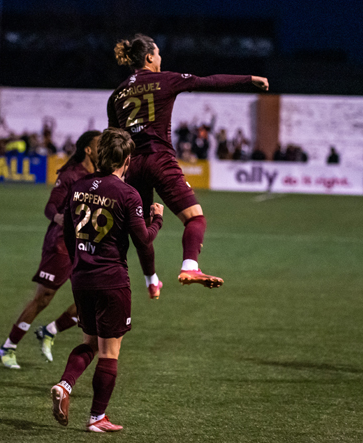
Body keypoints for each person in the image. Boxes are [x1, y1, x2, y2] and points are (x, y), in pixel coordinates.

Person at [108, 34, 269, 289]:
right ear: (150, 57)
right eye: (158, 53)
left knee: (142, 232)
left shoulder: (117, 95)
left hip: (132, 166)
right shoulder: (166, 79)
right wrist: (250, 79)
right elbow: (211, 81)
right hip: (160, 159)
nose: (161, 58)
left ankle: (150, 280)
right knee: (195, 219)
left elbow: (113, 141)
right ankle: (190, 268)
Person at [50, 128, 164, 432]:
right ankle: (97, 417)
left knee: (88, 341)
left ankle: (65, 385)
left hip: (81, 277)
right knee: (109, 351)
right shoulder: (128, 194)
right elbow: (143, 241)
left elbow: (66, 232)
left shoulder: (78, 187)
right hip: (112, 279)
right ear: (127, 160)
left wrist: (78, 263)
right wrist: (158, 220)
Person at [0, 130, 102, 369]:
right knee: (43, 298)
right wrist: (58, 217)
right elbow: (50, 206)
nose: (103, 147)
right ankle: (8, 347)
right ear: (88, 149)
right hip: (61, 244)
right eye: (99, 144)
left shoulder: (100, 175)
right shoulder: (71, 175)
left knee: (93, 300)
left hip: (86, 244)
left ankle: (50, 331)